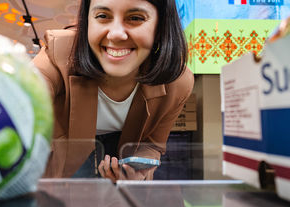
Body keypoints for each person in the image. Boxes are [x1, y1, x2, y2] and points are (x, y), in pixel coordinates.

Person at [32, 0, 194, 182]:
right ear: (87, 22)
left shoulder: (177, 82)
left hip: (121, 165)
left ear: (161, 27)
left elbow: (152, 145)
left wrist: (138, 174)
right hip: (61, 171)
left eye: (135, 18)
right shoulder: (58, 55)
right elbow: (20, 101)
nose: (116, 34)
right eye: (102, 16)